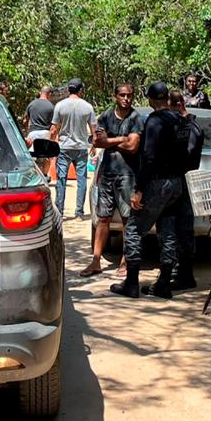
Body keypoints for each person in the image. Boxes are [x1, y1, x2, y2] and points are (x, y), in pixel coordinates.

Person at [111, 82, 192, 300]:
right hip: (176, 183)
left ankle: (131, 283)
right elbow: (187, 152)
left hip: (157, 183)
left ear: (149, 100)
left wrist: (139, 189)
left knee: (134, 230)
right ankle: (164, 284)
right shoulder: (180, 120)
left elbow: (149, 157)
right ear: (167, 98)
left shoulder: (155, 121)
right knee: (168, 232)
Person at [80, 84, 143, 278]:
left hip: (127, 175)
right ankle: (96, 260)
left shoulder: (136, 118)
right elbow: (97, 141)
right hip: (106, 173)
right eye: (122, 95)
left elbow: (133, 146)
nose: (126, 98)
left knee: (127, 219)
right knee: (103, 218)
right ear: (115, 96)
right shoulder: (106, 116)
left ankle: (125, 262)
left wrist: (111, 140)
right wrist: (120, 139)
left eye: (129, 95)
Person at [167, 89, 205, 291]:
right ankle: (179, 274)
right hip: (177, 184)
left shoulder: (190, 127)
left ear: (179, 105)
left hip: (183, 183)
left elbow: (189, 154)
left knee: (181, 231)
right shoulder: (184, 125)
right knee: (175, 230)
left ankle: (183, 275)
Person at [49, 78, 96, 219]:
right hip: (81, 148)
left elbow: (53, 129)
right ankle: (80, 212)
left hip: (64, 148)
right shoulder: (87, 107)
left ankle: (60, 211)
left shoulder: (60, 106)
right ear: (81, 90)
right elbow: (94, 128)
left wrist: (51, 144)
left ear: (68, 90)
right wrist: (94, 144)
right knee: (81, 179)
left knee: (61, 179)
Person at [23, 85, 55, 179]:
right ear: (49, 94)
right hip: (45, 132)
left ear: (40, 93)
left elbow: (25, 120)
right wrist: (52, 137)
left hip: (33, 132)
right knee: (47, 156)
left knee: (31, 156)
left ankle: (30, 176)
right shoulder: (51, 106)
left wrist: (26, 130)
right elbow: (54, 124)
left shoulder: (32, 104)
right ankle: (44, 176)